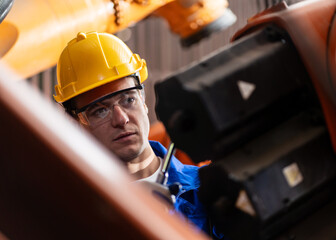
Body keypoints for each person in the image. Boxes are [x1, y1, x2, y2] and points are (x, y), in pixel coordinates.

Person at [53, 31, 223, 238]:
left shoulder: (208, 188)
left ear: (143, 100)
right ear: (76, 123)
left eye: (128, 100)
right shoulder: (78, 216)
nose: (121, 119)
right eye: (100, 111)